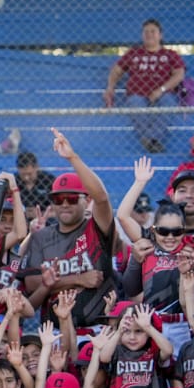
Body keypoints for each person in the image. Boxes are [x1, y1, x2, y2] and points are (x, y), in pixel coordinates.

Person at [21, 129, 116, 329]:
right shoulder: (41, 236)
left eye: (72, 198)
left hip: (97, 330)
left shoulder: (96, 228)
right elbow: (32, 284)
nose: (64, 204)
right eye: (58, 199)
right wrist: (78, 279)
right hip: (53, 333)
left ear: (86, 200)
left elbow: (102, 198)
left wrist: (72, 158)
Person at [103, 17, 185, 152]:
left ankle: (150, 139)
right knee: (135, 104)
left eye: (153, 31)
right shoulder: (134, 53)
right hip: (137, 94)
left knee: (169, 104)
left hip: (163, 93)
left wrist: (161, 89)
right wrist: (110, 87)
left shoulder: (170, 54)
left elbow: (179, 74)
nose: (149, 34)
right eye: (146, 32)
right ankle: (152, 141)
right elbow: (116, 70)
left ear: (160, 35)